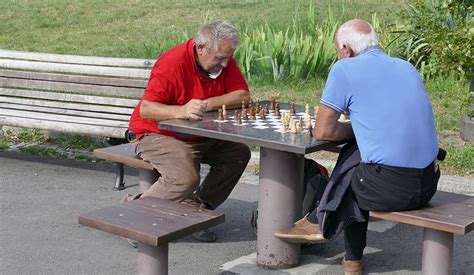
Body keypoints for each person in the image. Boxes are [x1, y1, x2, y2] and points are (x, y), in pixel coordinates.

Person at [274, 19, 440, 275]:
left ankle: (346, 252)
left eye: (337, 52)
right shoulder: (406, 67)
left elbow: (323, 131)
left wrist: (357, 127)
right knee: (360, 158)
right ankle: (320, 218)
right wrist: (365, 126)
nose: (338, 57)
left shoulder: (345, 69)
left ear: (346, 49)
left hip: (389, 191)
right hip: (428, 184)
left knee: (354, 172)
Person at [126, 20, 251, 243]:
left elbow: (242, 96)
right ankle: (136, 215)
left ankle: (194, 209)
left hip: (201, 135)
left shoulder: (222, 59)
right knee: (184, 177)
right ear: (201, 47)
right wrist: (182, 110)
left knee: (238, 154)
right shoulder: (172, 62)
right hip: (157, 134)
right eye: (220, 58)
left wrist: (206, 103)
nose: (224, 64)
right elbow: (147, 109)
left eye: (228, 58)